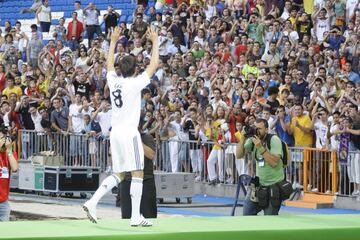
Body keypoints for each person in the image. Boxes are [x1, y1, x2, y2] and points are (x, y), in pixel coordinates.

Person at [83, 26, 159, 227]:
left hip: (115, 133)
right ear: (135, 70)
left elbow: (108, 64)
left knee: (119, 174)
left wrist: (113, 40)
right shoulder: (134, 84)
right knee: (137, 172)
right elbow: (154, 65)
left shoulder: (113, 80)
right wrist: (155, 41)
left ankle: (92, 201)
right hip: (128, 132)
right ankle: (135, 217)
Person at [236, 118, 284, 215]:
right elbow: (239, 155)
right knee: (247, 214)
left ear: (266, 129)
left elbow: (274, 162)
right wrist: (243, 138)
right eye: (255, 128)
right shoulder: (253, 140)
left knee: (270, 219)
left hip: (273, 187)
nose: (257, 131)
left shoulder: (274, 140)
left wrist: (260, 148)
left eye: (260, 129)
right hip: (258, 186)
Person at [118, 120, 157, 219]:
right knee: (127, 215)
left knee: (148, 214)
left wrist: (137, 140)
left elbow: (151, 155)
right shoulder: (123, 139)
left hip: (145, 180)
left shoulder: (146, 137)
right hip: (127, 180)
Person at [0, 128, 18, 221]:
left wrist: (9, 151)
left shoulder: (9, 153)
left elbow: (15, 168)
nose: (3, 141)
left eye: (4, 138)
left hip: (3, 202)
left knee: (4, 233)